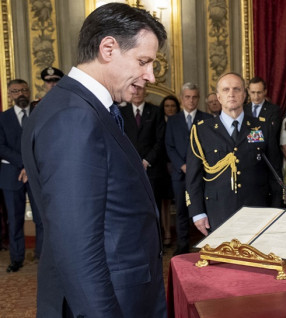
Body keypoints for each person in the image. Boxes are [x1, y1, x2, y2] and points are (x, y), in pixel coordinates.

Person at [21, 3, 167, 316]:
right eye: (143, 61)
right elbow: (77, 248)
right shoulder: (74, 117)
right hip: (108, 302)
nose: (150, 75)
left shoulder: (86, 108)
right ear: (108, 48)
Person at [186, 73, 283, 235]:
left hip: (257, 209)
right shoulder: (202, 130)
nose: (231, 94)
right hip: (218, 211)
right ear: (218, 96)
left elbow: (275, 173)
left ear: (244, 95)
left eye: (236, 89)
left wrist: (276, 208)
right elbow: (193, 177)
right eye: (226, 90)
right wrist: (197, 212)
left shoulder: (261, 127)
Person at [0, 79, 43, 272]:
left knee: (41, 218)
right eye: (16, 91)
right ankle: (16, 258)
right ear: (10, 95)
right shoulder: (3, 118)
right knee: (15, 219)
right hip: (11, 176)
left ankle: (43, 256)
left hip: (36, 174)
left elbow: (44, 142)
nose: (21, 94)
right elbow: (1, 147)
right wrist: (24, 164)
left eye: (24, 90)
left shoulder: (39, 114)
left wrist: (30, 167)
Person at [165, 82, 211, 255]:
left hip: (203, 175)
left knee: (204, 209)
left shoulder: (207, 119)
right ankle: (182, 246)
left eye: (194, 97)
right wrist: (183, 166)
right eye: (187, 97)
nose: (191, 101)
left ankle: (207, 245)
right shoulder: (173, 120)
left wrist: (197, 168)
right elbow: (169, 146)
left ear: (198, 98)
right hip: (180, 175)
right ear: (181, 98)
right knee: (182, 212)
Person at [121, 86, 170, 246]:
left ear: (145, 92)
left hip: (152, 168)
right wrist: (133, 161)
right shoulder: (121, 111)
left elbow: (160, 140)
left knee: (152, 206)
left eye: (140, 89)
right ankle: (134, 240)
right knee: (130, 205)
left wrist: (147, 160)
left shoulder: (155, 111)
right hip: (128, 169)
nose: (136, 93)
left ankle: (155, 241)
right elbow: (120, 139)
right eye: (133, 89)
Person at [246, 76, 283, 206]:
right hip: (250, 161)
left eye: (259, 92)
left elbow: (270, 133)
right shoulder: (243, 110)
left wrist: (251, 133)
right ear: (248, 91)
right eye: (253, 92)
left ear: (265, 91)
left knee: (274, 199)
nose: (256, 96)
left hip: (270, 159)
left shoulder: (274, 110)